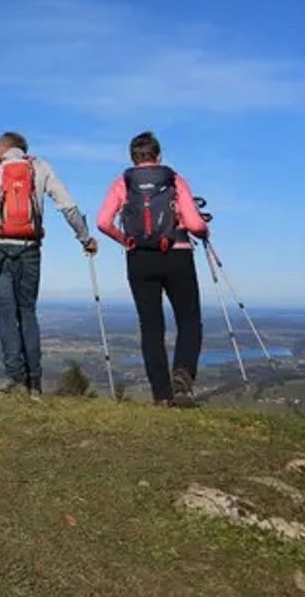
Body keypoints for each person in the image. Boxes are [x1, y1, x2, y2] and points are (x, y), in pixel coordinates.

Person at [0, 131, 98, 396]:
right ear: (23, 149)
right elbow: (68, 206)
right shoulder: (39, 168)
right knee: (27, 313)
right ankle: (34, 383)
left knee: (6, 315)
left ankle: (16, 379)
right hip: (29, 250)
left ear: (0, 148)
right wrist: (85, 238)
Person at [96, 131, 209, 406]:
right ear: (158, 156)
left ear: (133, 158)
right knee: (189, 320)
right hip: (177, 255)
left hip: (139, 259)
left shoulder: (122, 182)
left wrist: (126, 241)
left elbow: (102, 222)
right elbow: (194, 225)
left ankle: (161, 395)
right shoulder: (174, 179)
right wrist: (204, 230)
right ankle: (182, 376)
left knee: (151, 327)